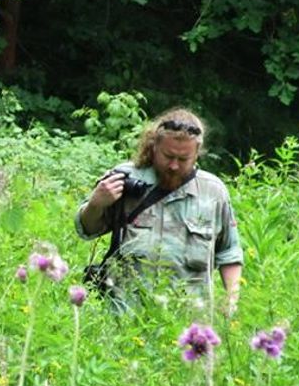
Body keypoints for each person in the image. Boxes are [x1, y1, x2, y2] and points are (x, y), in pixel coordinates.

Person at [75, 108, 243, 314]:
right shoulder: (126, 179)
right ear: (154, 146)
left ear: (197, 153)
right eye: (168, 156)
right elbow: (87, 229)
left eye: (183, 159)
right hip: (126, 320)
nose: (173, 165)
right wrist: (96, 203)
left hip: (187, 325)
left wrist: (230, 300)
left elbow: (229, 253)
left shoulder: (213, 192)